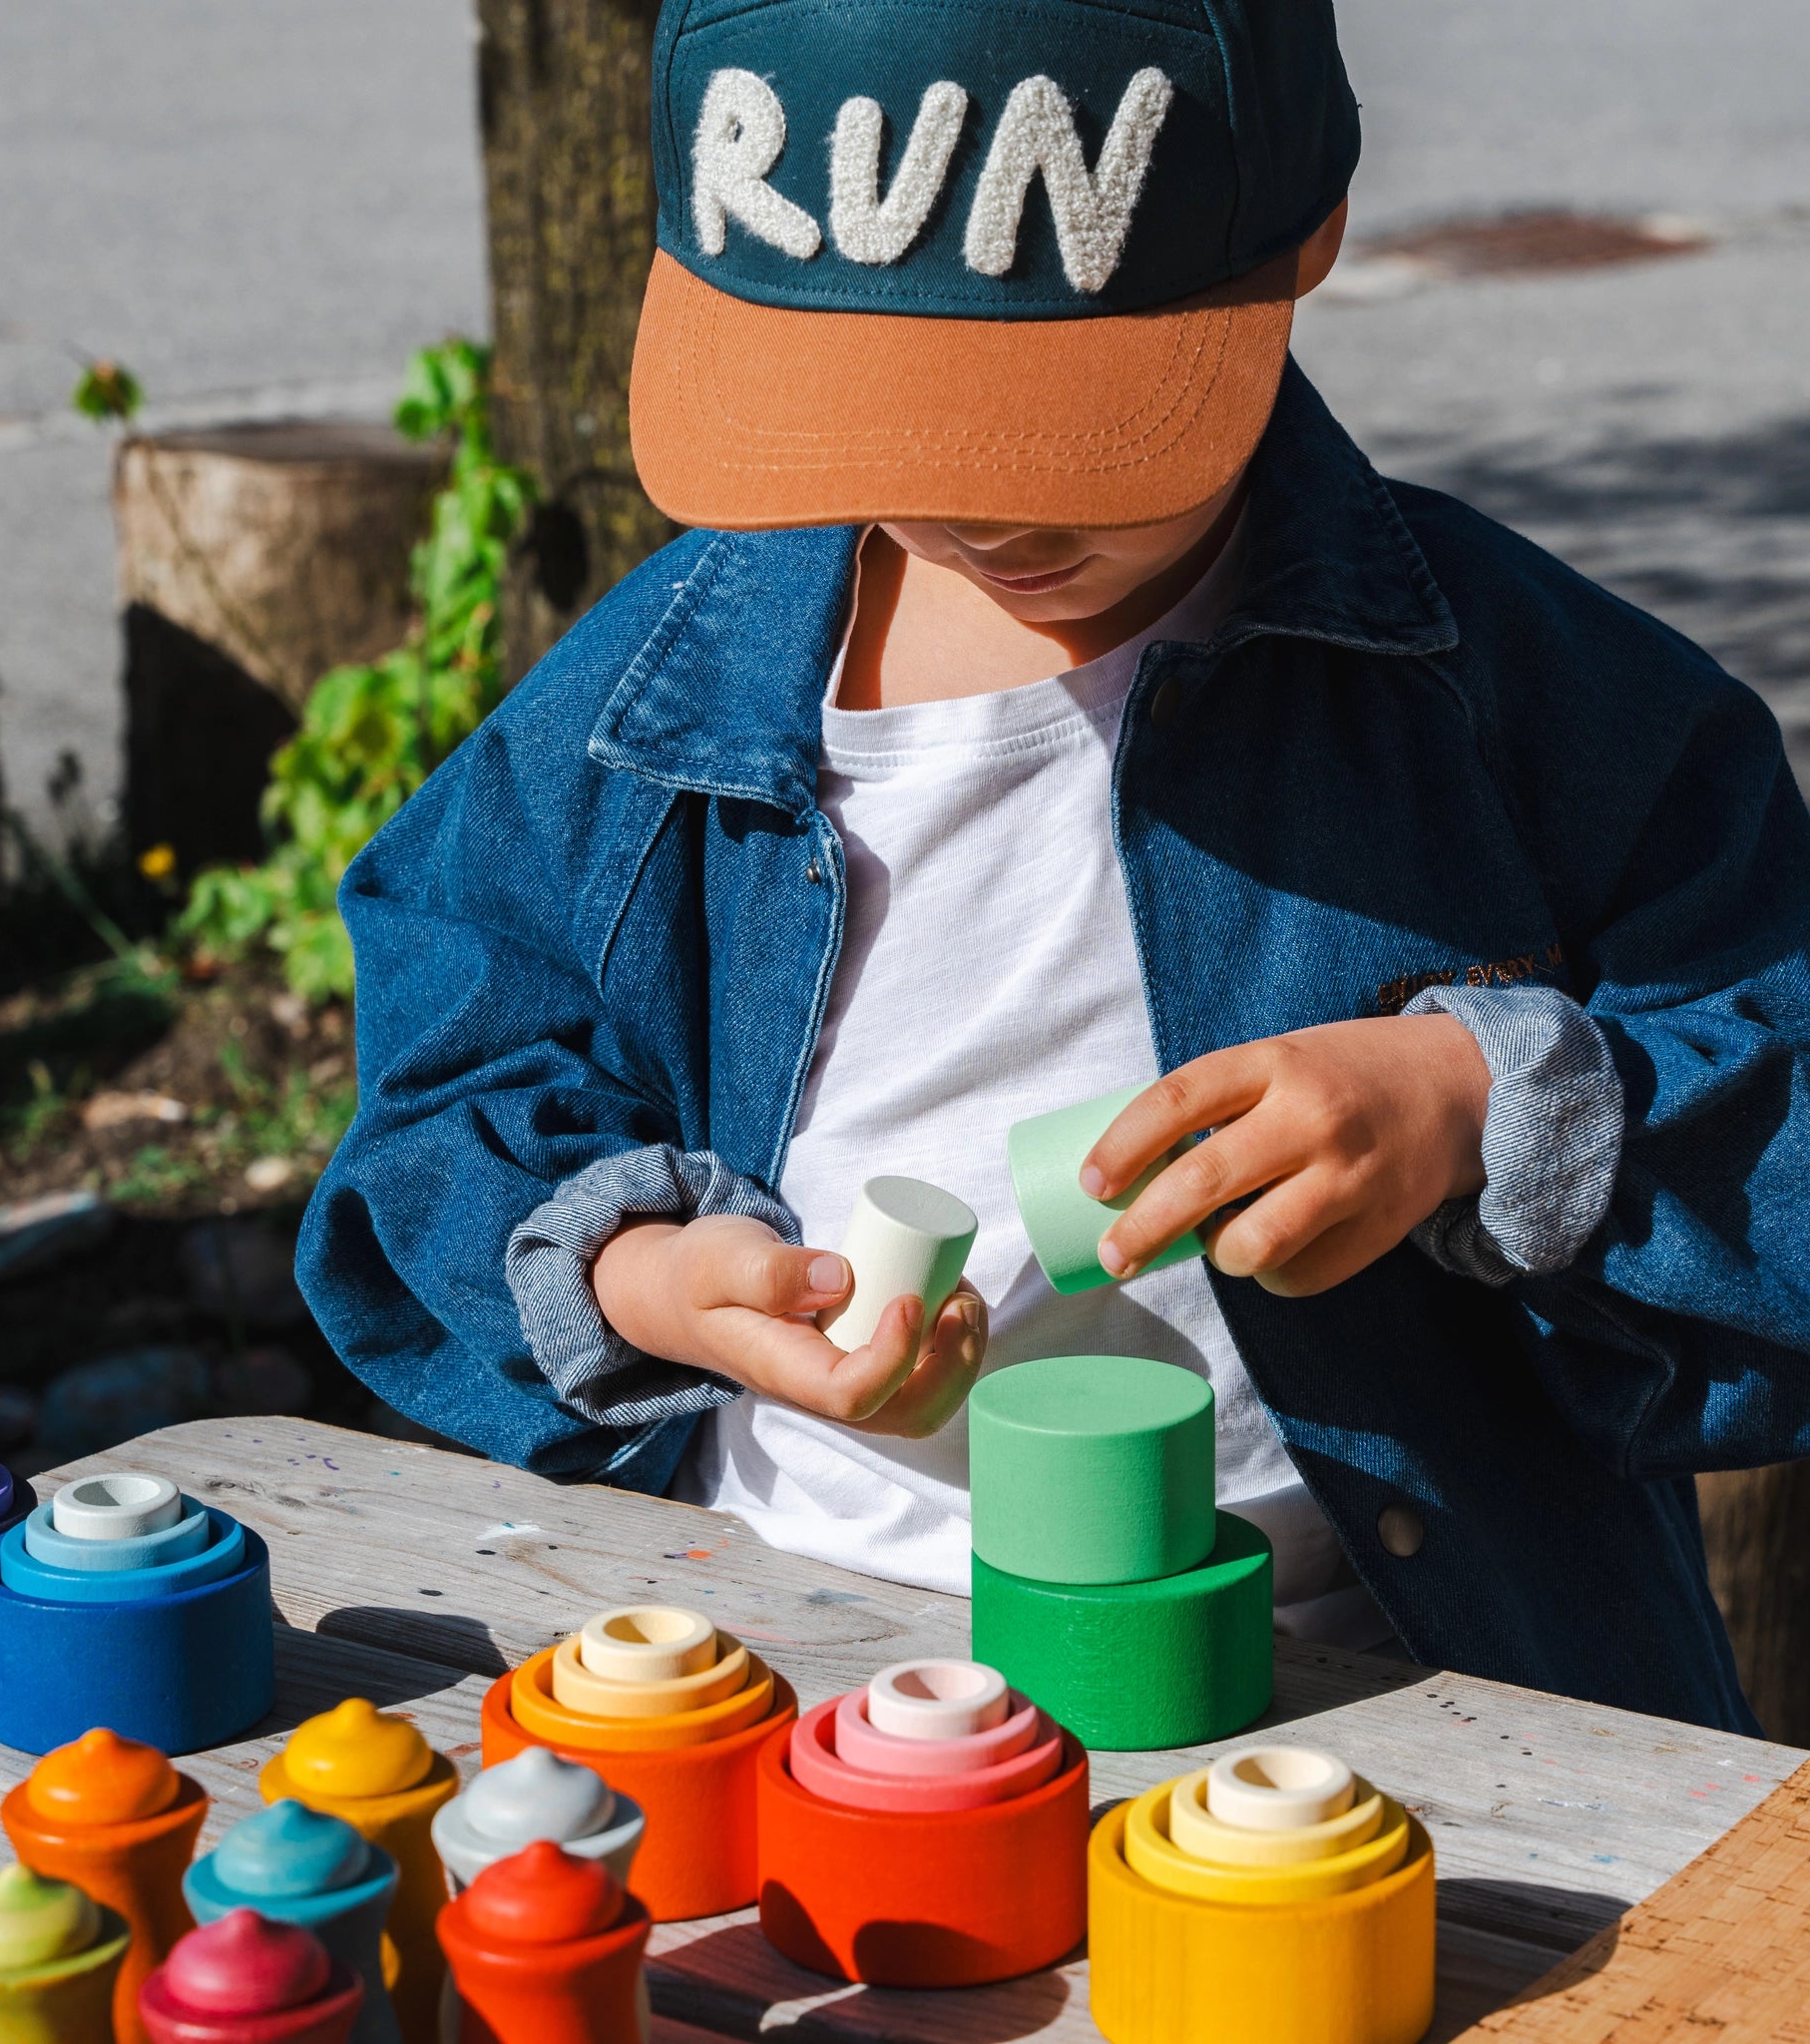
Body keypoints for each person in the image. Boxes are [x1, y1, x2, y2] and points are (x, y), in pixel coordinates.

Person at [299, 0, 1810, 1732]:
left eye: (1062, 433)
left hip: (1380, 1687)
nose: (972, 511)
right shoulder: (653, 704)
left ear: (1304, 231)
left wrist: (1486, 1105)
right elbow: (441, 1089)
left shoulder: (1534, 705)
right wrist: (637, 1275)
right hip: (808, 1654)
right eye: (876, 418)